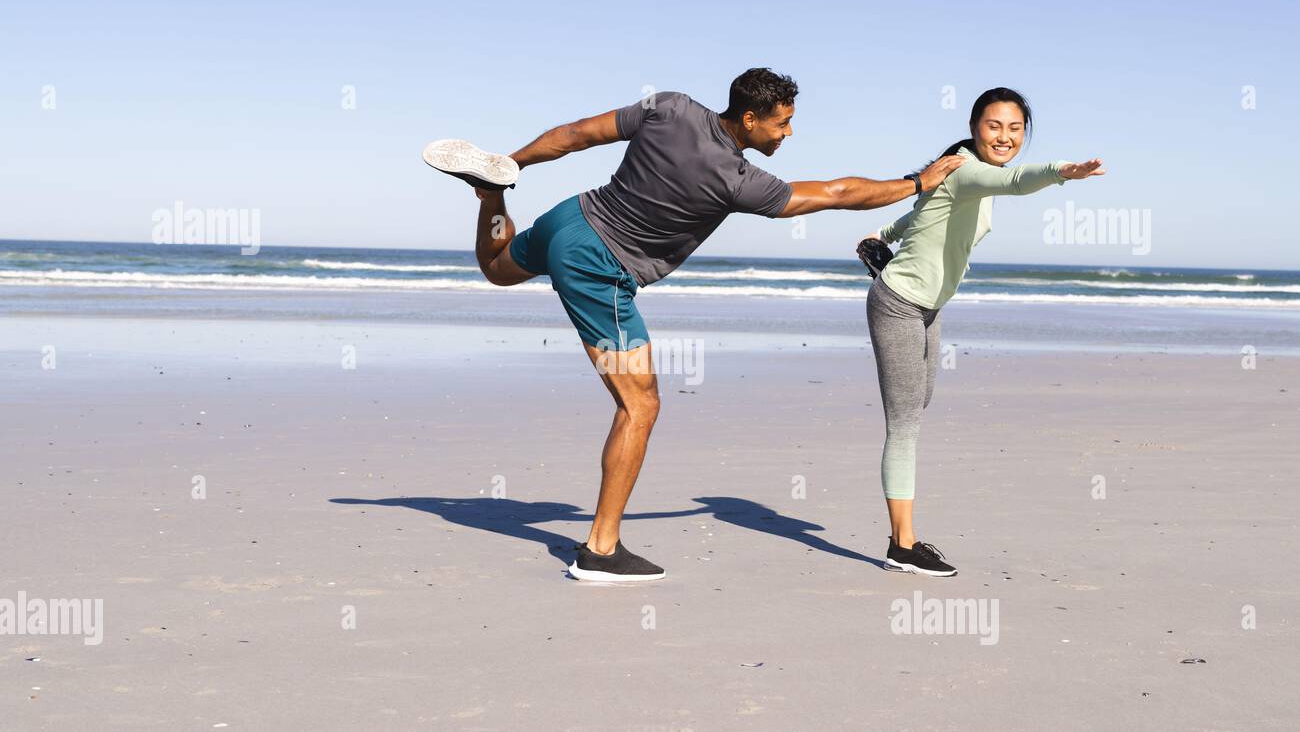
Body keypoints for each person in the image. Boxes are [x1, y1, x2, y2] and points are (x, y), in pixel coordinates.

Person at [423, 68, 965, 582]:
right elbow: (836, 195)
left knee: (497, 269)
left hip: (570, 218)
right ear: (750, 119)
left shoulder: (671, 106)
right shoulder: (736, 178)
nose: (789, 132)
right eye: (782, 122)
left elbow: (575, 135)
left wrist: (510, 165)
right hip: (598, 267)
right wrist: (915, 182)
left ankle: (491, 189)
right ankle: (600, 550)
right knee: (640, 405)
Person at [858, 87, 1104, 577]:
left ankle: (902, 538)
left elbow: (922, 211)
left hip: (930, 307)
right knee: (904, 421)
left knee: (918, 405)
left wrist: (881, 235)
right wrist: (1060, 172)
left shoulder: (962, 174)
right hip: (900, 303)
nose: (1005, 137)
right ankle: (902, 544)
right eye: (995, 126)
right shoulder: (967, 168)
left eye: (1015, 129)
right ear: (976, 127)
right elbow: (1016, 180)